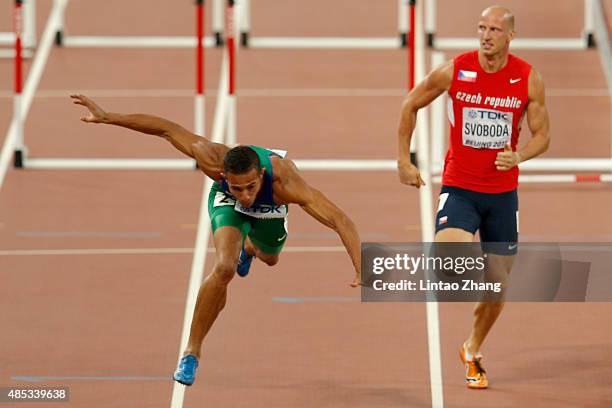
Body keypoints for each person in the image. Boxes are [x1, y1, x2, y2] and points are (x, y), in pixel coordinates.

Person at [71, 94, 362, 386]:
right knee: (224, 267)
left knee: (271, 258)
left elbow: (341, 220)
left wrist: (361, 266)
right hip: (225, 205)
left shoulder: (285, 183)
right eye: (238, 187)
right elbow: (167, 129)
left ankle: (249, 248)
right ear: (223, 175)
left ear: (261, 174)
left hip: (272, 206)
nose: (246, 195)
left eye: (250, 187)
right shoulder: (212, 160)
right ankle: (191, 352)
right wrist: (109, 117)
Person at [396, 6, 550, 389]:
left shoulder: (528, 79)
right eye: (481, 28)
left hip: (502, 196)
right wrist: (403, 159)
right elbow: (410, 104)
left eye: (495, 29)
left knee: (497, 291)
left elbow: (543, 135)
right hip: (461, 188)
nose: (486, 36)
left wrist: (520, 155)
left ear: (509, 36)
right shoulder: (456, 70)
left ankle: (472, 349)